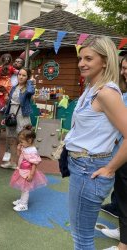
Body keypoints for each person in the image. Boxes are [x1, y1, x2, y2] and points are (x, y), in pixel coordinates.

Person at [64, 37, 127, 250]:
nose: (82, 63)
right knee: (80, 236)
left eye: (89, 58)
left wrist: (110, 168)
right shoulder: (92, 88)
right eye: (81, 58)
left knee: (82, 240)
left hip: (89, 169)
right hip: (81, 166)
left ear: (105, 61)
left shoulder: (106, 93)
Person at [102, 54, 127, 250]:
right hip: (120, 154)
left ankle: (123, 245)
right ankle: (123, 233)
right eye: (123, 67)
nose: (124, 71)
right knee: (121, 193)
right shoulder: (123, 92)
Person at [1, 67, 35, 169]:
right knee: (12, 140)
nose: (21, 77)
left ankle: (25, 163)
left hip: (22, 116)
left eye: (24, 75)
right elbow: (10, 102)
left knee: (23, 140)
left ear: (27, 77)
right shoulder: (14, 87)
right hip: (12, 114)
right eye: (19, 74)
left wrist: (30, 81)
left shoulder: (29, 88)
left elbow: (30, 92)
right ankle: (12, 162)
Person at [9, 125, 47, 212]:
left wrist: (31, 174)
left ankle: (24, 204)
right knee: (23, 187)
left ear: (29, 140)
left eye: (21, 142)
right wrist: (19, 149)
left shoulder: (32, 151)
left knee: (25, 189)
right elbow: (20, 156)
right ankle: (22, 200)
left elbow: (34, 164)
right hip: (21, 170)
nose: (20, 143)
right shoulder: (25, 147)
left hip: (27, 172)